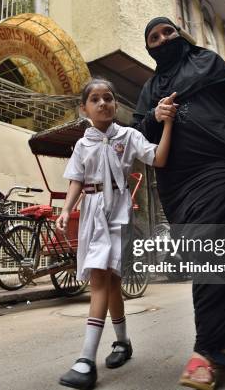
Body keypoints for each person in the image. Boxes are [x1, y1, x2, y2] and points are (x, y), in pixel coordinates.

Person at [133, 17, 225, 390]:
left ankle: (205, 351)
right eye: (155, 36)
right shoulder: (150, 89)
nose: (165, 38)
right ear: (149, 48)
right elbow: (138, 136)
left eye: (169, 32)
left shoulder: (209, 63)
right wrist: (155, 116)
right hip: (179, 185)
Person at [56, 77, 175, 389]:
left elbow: (158, 158)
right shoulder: (83, 144)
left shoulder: (129, 135)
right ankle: (122, 343)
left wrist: (167, 125)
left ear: (115, 104)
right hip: (92, 211)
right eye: (94, 99)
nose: (102, 103)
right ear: (84, 108)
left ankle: (86, 360)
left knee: (108, 278)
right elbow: (76, 180)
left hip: (118, 210)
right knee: (105, 280)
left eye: (107, 98)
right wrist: (67, 209)